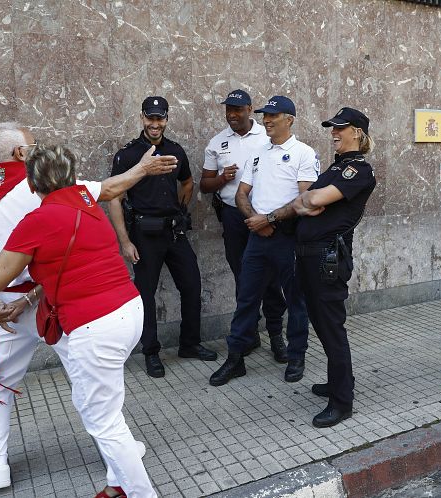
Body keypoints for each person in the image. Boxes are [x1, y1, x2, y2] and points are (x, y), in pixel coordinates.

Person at [0, 143, 176, 498]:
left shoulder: (31, 218)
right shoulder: (87, 199)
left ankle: (138, 492)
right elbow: (114, 187)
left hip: (90, 322)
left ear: (32, 184)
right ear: (72, 176)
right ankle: (118, 480)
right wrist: (143, 169)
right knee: (104, 403)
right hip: (127, 311)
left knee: (99, 418)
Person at [210, 95, 319, 386]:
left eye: (273, 115)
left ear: (290, 120)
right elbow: (241, 194)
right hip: (258, 238)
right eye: (265, 115)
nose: (267, 120)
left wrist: (269, 220)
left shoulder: (304, 153)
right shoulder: (257, 153)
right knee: (246, 298)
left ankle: (297, 356)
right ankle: (235, 359)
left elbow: (305, 199)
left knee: (296, 301)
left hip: (288, 239)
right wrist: (257, 222)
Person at [108, 96, 217, 378]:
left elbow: (188, 181)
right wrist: (125, 242)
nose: (155, 123)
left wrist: (180, 208)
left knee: (192, 286)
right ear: (142, 118)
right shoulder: (128, 155)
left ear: (167, 119)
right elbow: (115, 199)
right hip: (144, 235)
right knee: (146, 295)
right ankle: (151, 352)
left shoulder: (175, 150)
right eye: (150, 118)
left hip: (174, 232)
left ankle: (190, 344)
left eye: (160, 118)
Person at [290, 107, 376, 428]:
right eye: (332, 128)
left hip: (328, 261)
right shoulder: (336, 168)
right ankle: (338, 381)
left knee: (332, 329)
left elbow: (309, 201)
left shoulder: (358, 171)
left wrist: (311, 200)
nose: (333, 133)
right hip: (311, 257)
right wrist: (310, 200)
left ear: (358, 132)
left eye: (340, 128)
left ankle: (342, 401)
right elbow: (305, 200)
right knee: (322, 324)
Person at [200, 89, 287, 362]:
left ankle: (276, 336)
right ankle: (249, 337)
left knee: (272, 278)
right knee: (244, 279)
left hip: (265, 216)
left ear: (250, 109)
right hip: (233, 217)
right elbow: (204, 184)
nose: (232, 115)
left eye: (237, 109)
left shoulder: (267, 137)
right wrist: (223, 179)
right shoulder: (217, 143)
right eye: (228, 110)